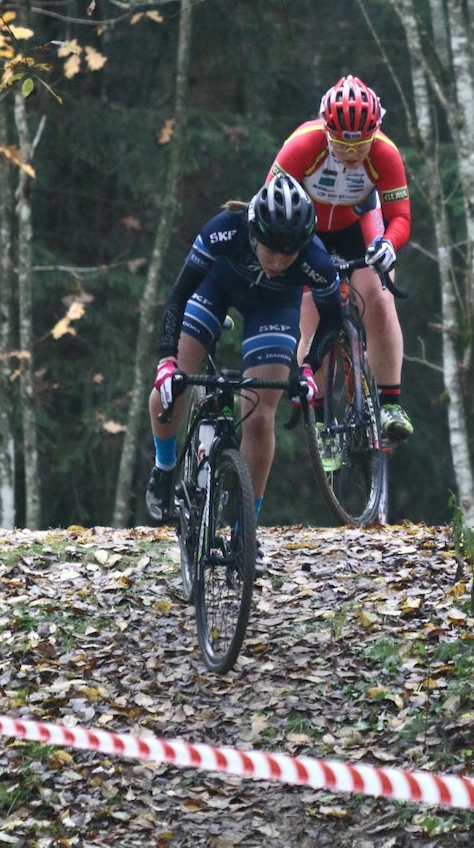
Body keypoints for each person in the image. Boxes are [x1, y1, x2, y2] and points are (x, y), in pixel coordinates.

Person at [144, 173, 343, 573]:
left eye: (289, 256)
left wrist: (307, 370)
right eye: (271, 250)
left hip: (275, 309)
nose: (277, 262)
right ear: (254, 231)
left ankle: (244, 529)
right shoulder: (223, 232)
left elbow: (332, 322)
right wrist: (166, 361)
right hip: (216, 289)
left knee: (259, 412)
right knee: (176, 383)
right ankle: (165, 469)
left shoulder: (315, 259)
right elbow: (178, 297)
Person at [269, 74, 413, 443]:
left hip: (358, 227)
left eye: (360, 146)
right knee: (312, 319)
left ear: (374, 134)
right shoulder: (302, 145)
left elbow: (400, 216)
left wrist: (388, 245)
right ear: (326, 131)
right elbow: (270, 206)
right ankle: (319, 423)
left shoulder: (385, 152)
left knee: (379, 300)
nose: (351, 155)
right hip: (307, 229)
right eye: (341, 145)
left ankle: (390, 402)